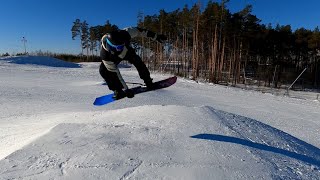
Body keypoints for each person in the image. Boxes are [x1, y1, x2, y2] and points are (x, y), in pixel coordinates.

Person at [99, 27, 167, 99]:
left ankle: (148, 81)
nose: (120, 49)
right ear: (110, 46)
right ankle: (117, 90)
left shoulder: (127, 33)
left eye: (122, 45)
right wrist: (126, 89)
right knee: (103, 71)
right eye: (118, 47)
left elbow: (141, 31)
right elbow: (116, 73)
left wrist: (156, 36)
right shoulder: (105, 56)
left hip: (127, 52)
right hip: (113, 57)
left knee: (138, 62)